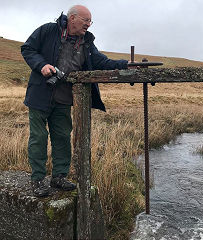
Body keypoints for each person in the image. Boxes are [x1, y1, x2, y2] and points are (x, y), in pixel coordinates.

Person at [21, 5, 129, 197]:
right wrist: (42, 65)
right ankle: (37, 180)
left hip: (64, 99)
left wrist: (126, 64)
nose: (88, 25)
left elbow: (101, 62)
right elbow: (28, 48)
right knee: (38, 138)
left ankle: (59, 177)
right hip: (40, 96)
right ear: (72, 18)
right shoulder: (48, 30)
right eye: (85, 20)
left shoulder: (86, 42)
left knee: (62, 137)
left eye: (90, 22)